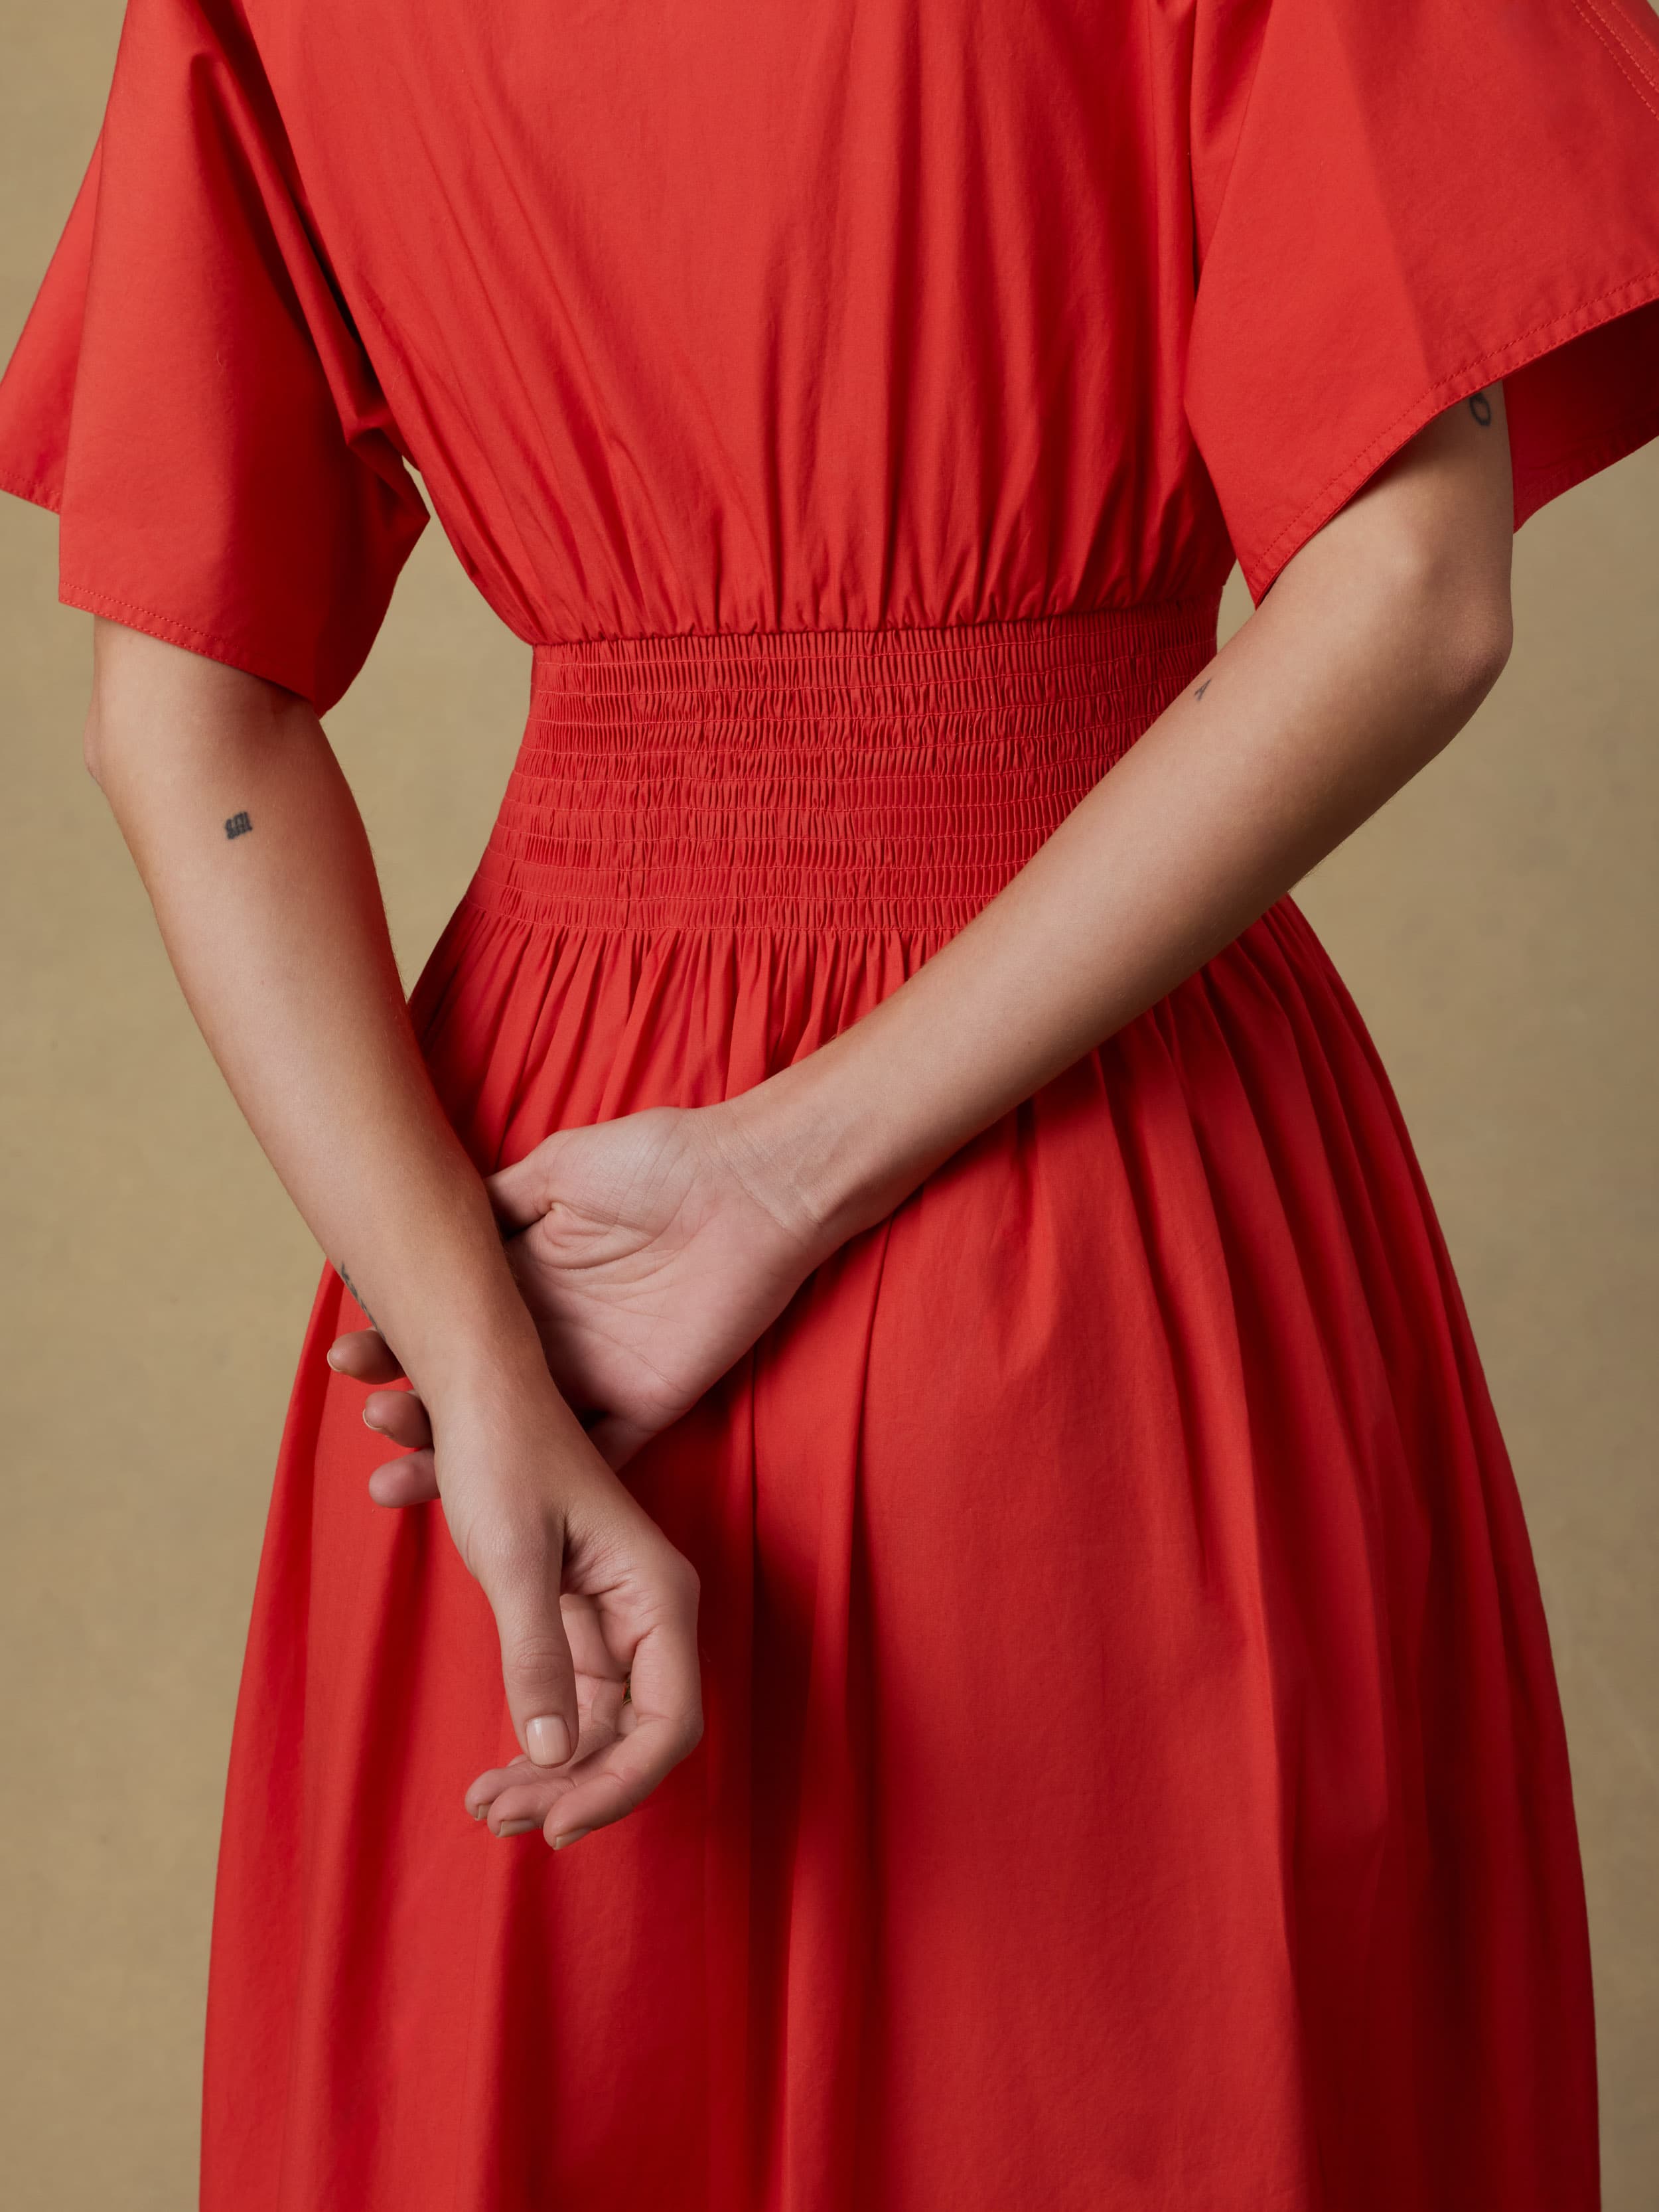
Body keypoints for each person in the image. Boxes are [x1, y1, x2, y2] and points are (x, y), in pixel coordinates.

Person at [2, 0, 1656, 2203]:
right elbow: (1412, 596)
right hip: (1098, 1135)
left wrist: (477, 1365)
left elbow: (176, 724)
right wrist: (771, 1177)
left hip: (519, 1221)